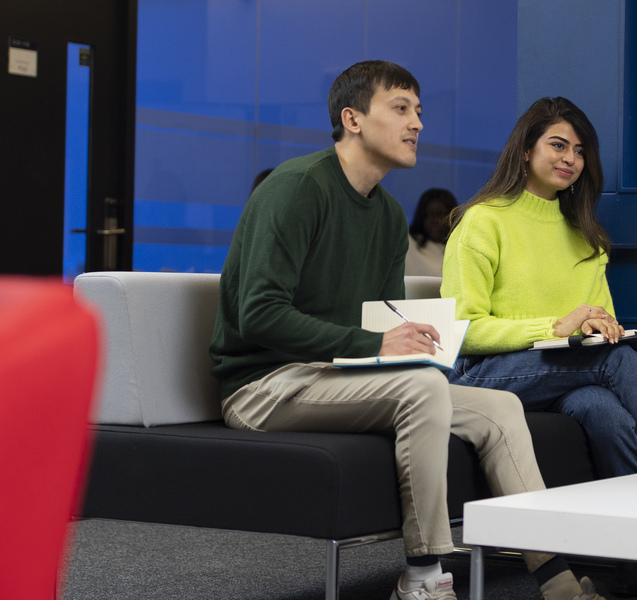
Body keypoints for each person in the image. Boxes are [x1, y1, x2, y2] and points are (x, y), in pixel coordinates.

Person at [209, 61, 600, 600]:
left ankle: (558, 582)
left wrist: (408, 342)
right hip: (264, 386)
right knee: (422, 388)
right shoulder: (296, 188)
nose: (416, 123)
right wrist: (378, 346)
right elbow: (260, 314)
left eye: (419, 111)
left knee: (500, 408)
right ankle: (423, 576)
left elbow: (375, 321)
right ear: (352, 118)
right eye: (400, 109)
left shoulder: (390, 215)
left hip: (336, 376)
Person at [442, 97, 637, 480]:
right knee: (620, 359)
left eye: (579, 151)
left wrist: (597, 326)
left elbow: (605, 322)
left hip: (559, 375)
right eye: (558, 145)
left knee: (604, 409)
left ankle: (629, 518)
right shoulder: (482, 221)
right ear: (524, 151)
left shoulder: (585, 236)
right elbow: (462, 331)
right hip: (480, 376)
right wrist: (556, 328)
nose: (570, 159)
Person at [406, 187, 457, 277]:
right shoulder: (409, 243)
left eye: (440, 215)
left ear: (452, 217)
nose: (434, 221)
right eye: (429, 215)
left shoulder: (459, 247)